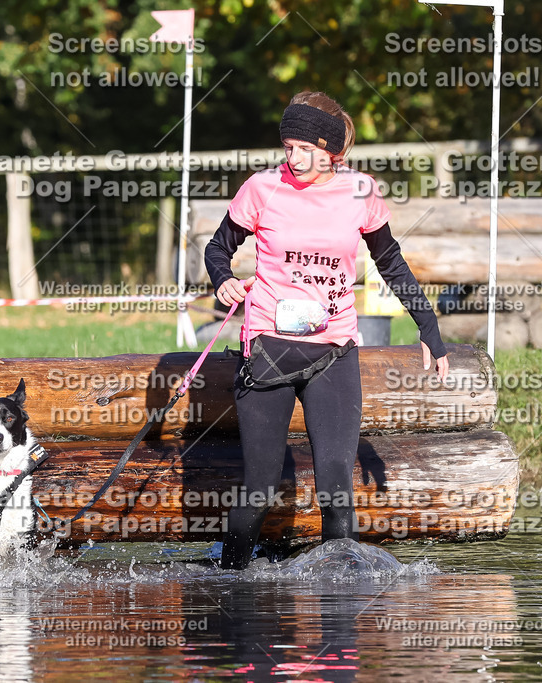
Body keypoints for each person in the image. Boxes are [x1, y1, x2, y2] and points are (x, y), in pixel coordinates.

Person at [204, 91, 450, 570]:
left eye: (300, 147)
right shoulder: (262, 188)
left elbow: (391, 262)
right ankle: (228, 585)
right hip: (268, 350)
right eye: (286, 145)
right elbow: (218, 249)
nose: (289, 156)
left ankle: (341, 598)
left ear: (329, 150)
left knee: (336, 483)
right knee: (260, 487)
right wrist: (225, 281)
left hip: (334, 351)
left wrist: (427, 324)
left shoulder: (361, 192)